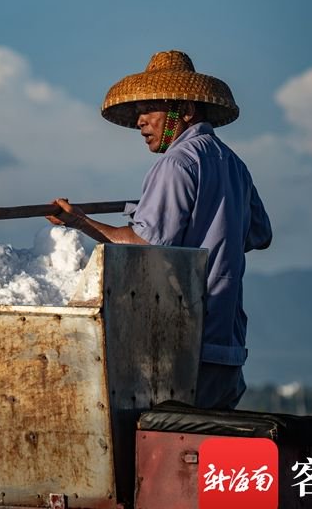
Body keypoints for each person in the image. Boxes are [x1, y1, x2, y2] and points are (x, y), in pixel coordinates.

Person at [47, 50, 272, 410]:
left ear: (184, 111)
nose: (140, 121)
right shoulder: (233, 164)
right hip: (226, 345)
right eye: (139, 111)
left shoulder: (177, 163)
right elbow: (260, 235)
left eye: (150, 109)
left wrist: (78, 222)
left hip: (182, 348)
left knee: (165, 454)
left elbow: (143, 244)